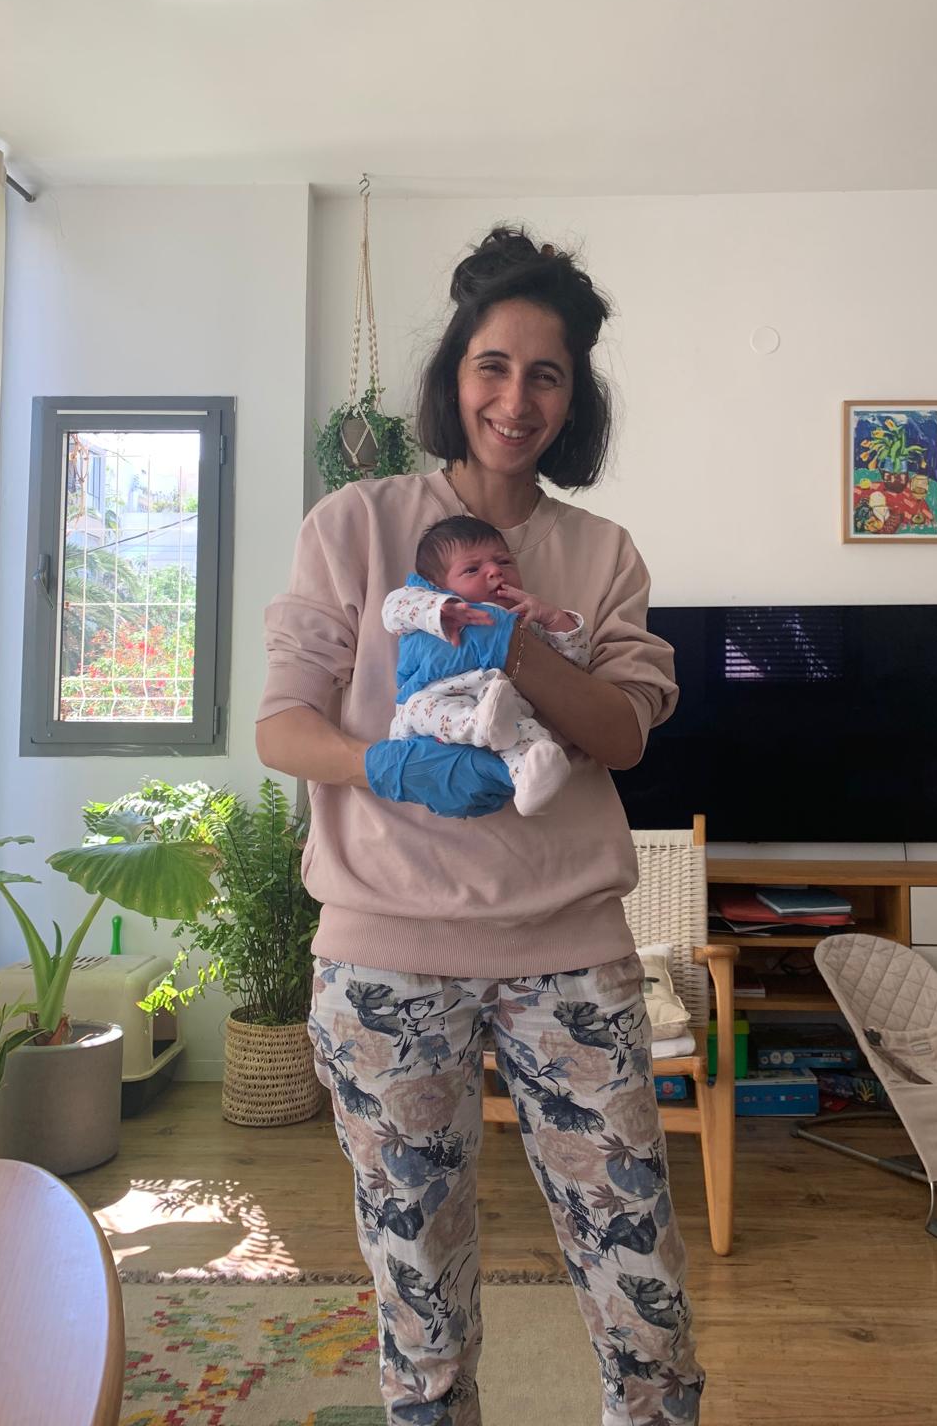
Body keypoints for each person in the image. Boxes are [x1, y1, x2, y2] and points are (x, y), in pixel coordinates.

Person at [256, 225, 705, 1426]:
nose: (516, 399)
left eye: (546, 374)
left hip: (571, 953)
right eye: (492, 366)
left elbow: (623, 732)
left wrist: (513, 643)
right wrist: (385, 763)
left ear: (575, 395)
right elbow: (282, 727)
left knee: (641, 1286)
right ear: (454, 374)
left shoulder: (600, 554)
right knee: (421, 1299)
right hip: (384, 957)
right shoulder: (354, 524)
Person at [383, 514, 590, 815]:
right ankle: (476, 725)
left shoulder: (524, 619)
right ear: (437, 585)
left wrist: (554, 618)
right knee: (419, 706)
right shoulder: (428, 602)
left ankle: (533, 786)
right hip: (433, 713)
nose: (495, 571)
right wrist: (440, 609)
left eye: (504, 562)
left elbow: (575, 664)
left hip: (502, 711)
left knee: (529, 736)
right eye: (472, 569)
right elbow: (393, 609)